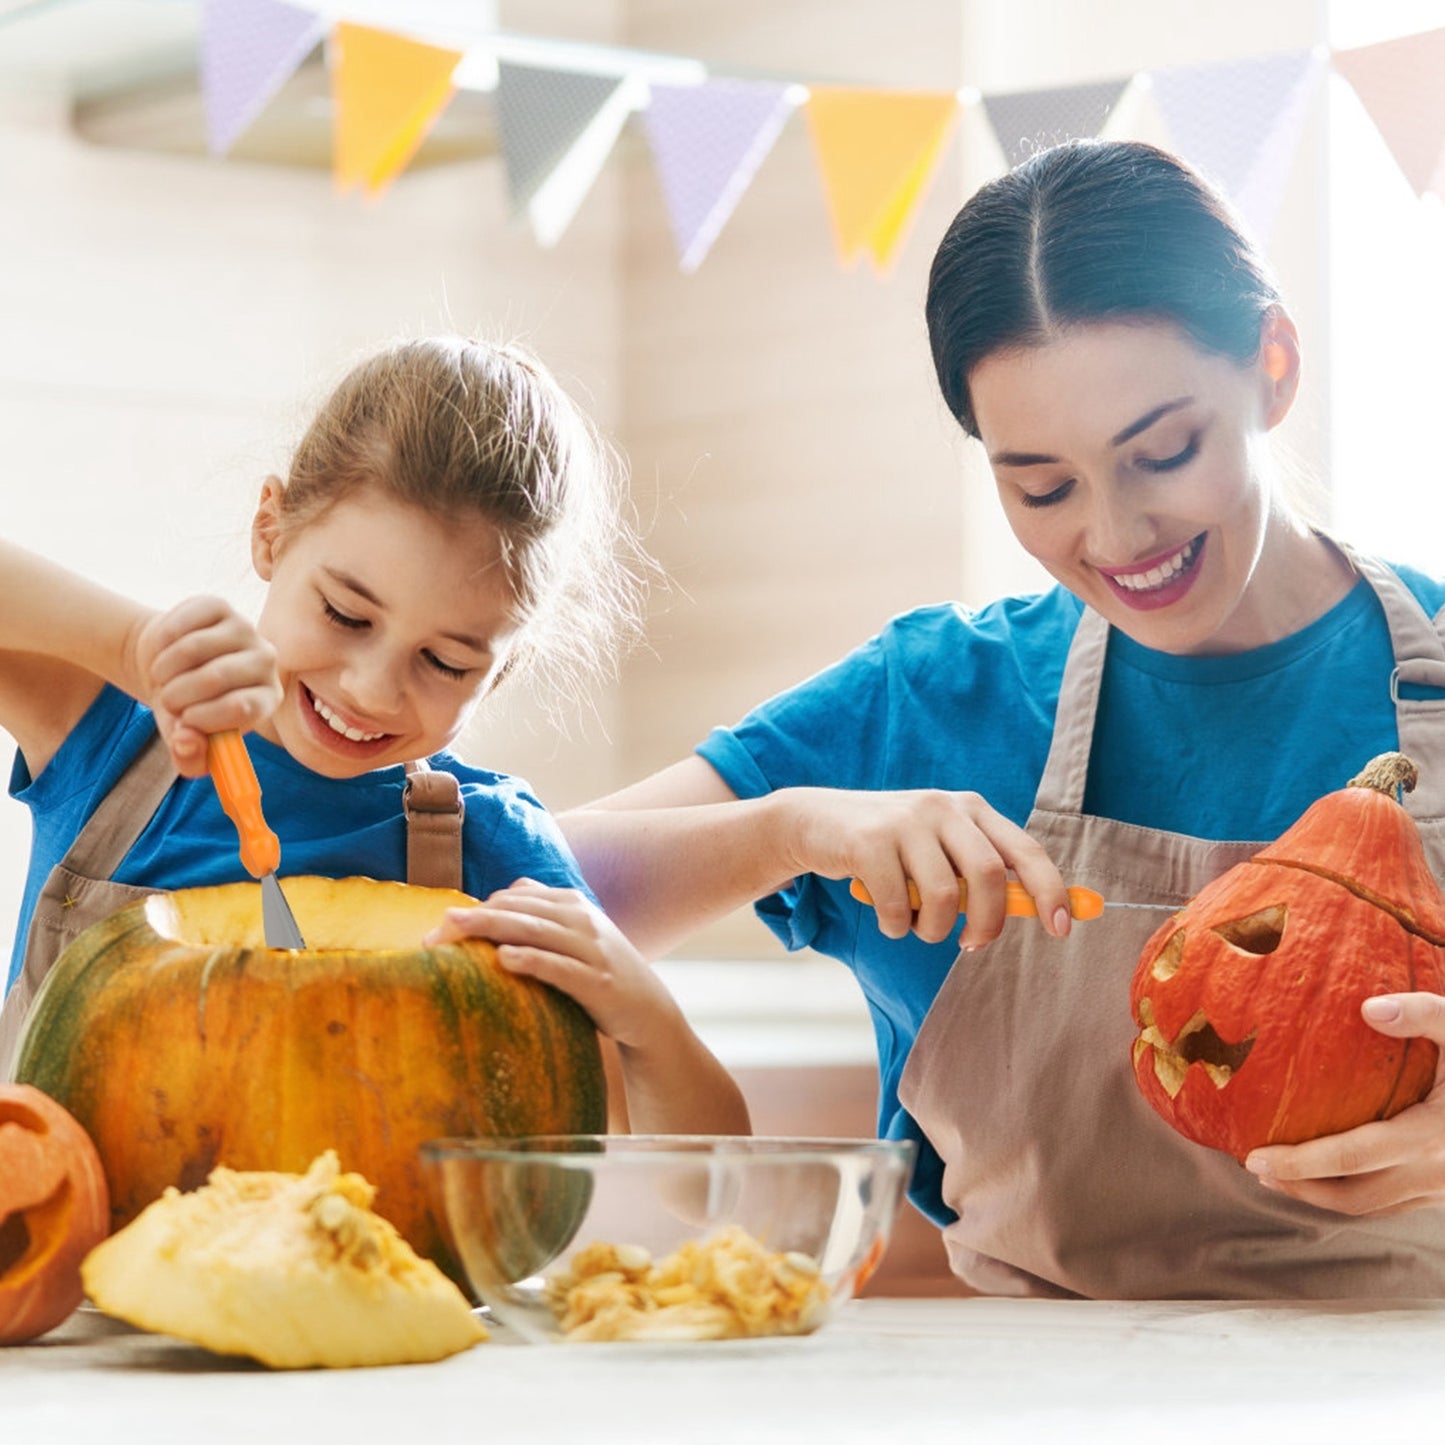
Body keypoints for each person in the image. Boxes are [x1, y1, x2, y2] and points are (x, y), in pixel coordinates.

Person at [558, 139, 1445, 1299]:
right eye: (1041, 485)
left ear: (1272, 365)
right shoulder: (931, 698)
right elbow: (500, 891)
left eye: (1162, 451)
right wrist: (787, 829)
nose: (1118, 535)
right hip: (1028, 1398)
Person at [0, 335, 747, 1137]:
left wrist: (644, 1012)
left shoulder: (491, 852)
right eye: (345, 614)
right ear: (270, 532)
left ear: (502, 667)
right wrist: (127, 643)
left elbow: (699, 1177)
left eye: (445, 661)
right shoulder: (113, 741)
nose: (372, 688)